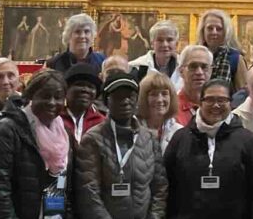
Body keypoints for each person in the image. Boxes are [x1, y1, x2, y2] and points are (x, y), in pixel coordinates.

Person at [164, 79, 253, 218]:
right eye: (210, 100)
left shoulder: (248, 140)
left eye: (222, 100)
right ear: (200, 103)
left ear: (231, 103)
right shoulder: (180, 138)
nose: (216, 105)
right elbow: (166, 183)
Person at [0, 70, 74, 219]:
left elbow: (68, 187)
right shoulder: (5, 131)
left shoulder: (65, 134)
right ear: (30, 96)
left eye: (58, 97)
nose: (52, 102)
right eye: (45, 96)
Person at [74, 73, 168, 218]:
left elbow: (160, 187)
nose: (125, 101)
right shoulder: (93, 139)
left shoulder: (149, 138)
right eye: (118, 97)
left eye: (130, 96)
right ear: (106, 102)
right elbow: (88, 191)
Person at [197, 9, 248, 90]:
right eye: (210, 28)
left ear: (226, 32)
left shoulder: (235, 58)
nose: (214, 32)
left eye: (219, 29)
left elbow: (243, 92)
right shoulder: (195, 55)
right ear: (203, 31)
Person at [128, 19, 183, 89]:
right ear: (152, 43)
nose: (165, 44)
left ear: (176, 44)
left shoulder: (185, 66)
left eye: (169, 40)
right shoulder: (138, 68)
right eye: (160, 40)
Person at [137, 72, 182, 152]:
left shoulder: (179, 132)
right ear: (143, 98)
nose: (159, 100)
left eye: (164, 94)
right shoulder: (133, 129)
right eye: (153, 94)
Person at [62, 63, 106, 143]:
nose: (85, 90)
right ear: (66, 89)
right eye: (79, 84)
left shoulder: (101, 123)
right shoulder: (55, 118)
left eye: (90, 87)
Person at [175, 45, 213, 126]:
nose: (199, 72)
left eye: (204, 67)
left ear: (211, 71)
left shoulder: (217, 107)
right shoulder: (171, 109)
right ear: (181, 71)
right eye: (193, 66)